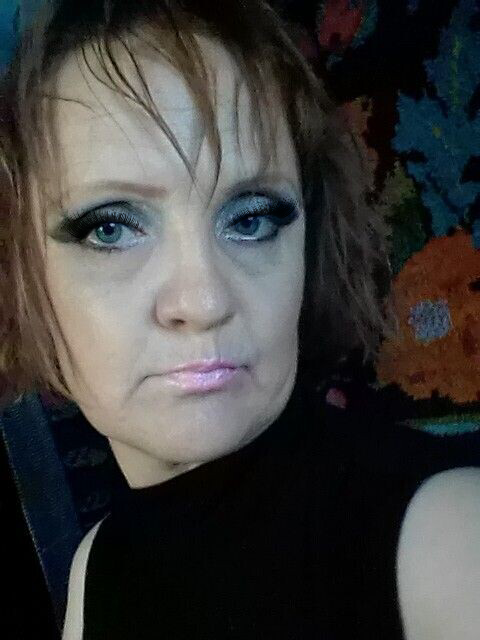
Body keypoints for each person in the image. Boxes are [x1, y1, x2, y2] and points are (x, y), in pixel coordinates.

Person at [1, 1, 479, 638]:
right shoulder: (95, 566)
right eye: (110, 228)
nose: (204, 303)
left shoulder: (445, 538)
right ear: (22, 271)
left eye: (250, 219)